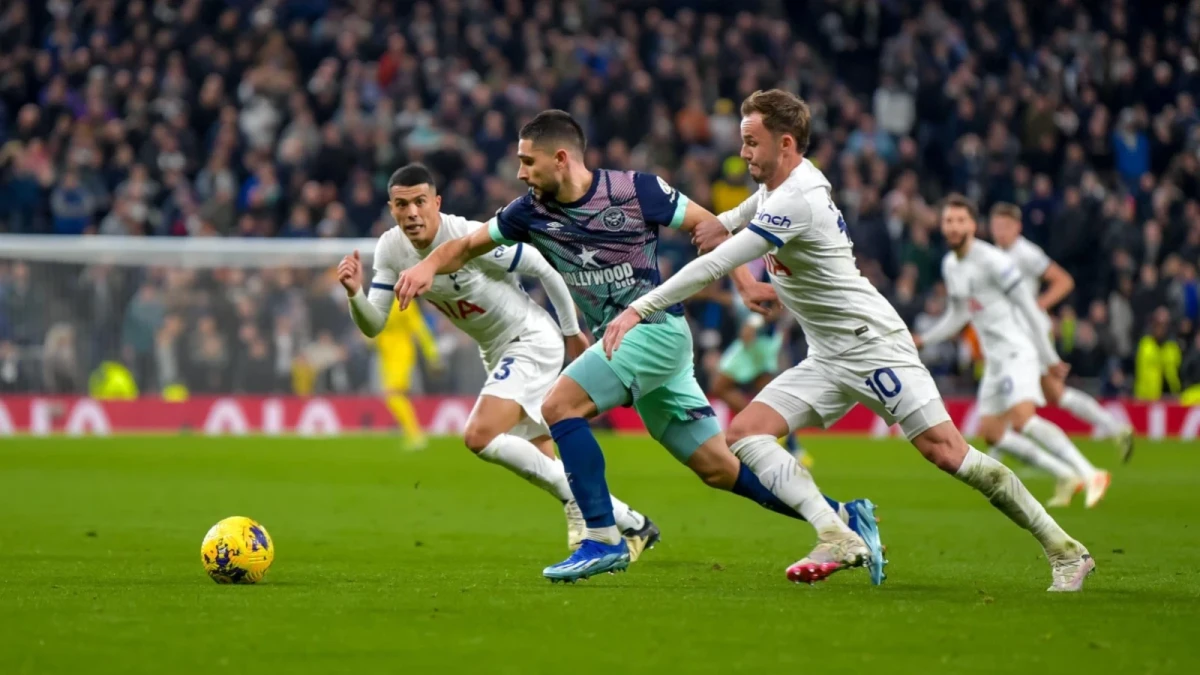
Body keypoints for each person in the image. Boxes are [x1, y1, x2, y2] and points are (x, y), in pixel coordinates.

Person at [603, 90, 1093, 591]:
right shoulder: (781, 184)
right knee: (746, 432)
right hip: (828, 354)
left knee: (949, 453)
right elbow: (735, 219)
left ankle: (1065, 549)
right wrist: (716, 222)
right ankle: (836, 533)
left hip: (872, 344)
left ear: (786, 143)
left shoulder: (799, 198)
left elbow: (718, 262)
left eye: (752, 143)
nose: (744, 153)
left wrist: (641, 307)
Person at [395, 111, 882, 585]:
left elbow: (708, 227)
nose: (521, 172)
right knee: (718, 468)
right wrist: (424, 268)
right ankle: (841, 516)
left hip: (654, 330)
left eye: (528, 161)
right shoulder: (529, 210)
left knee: (559, 406)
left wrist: (745, 285)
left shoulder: (635, 190)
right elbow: (464, 245)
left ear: (560, 158)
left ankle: (604, 537)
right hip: (628, 342)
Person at [339, 163, 659, 560]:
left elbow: (543, 265)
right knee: (545, 457)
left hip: (530, 339)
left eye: (420, 202)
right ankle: (622, 522)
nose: (412, 213)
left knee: (479, 436)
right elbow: (373, 325)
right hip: (495, 350)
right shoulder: (391, 249)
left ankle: (611, 517)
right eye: (402, 205)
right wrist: (355, 294)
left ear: (436, 202)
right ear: (392, 208)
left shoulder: (468, 238)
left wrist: (569, 330)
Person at [913, 196, 1111, 509]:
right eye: (948, 221)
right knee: (992, 433)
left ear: (973, 225)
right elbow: (958, 314)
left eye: (960, 220)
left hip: (1018, 349)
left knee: (1023, 421)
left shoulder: (994, 261)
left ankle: (1090, 473)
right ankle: (1064, 474)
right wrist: (924, 339)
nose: (953, 226)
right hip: (994, 359)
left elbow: (1030, 309)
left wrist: (1049, 358)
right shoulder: (951, 265)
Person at [989, 203, 1134, 464]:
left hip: (1029, 332)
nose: (1000, 231)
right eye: (996, 226)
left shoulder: (1026, 253)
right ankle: (1116, 429)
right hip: (1012, 331)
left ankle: (997, 453)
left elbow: (1064, 280)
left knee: (1012, 387)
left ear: (1017, 227)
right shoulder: (995, 254)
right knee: (1056, 394)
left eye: (1005, 226)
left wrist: (1038, 305)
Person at [711, 308, 810, 465]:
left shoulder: (760, 310)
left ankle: (757, 427)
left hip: (757, 344)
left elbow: (749, 331)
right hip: (768, 343)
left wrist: (754, 324)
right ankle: (794, 449)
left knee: (719, 386)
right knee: (768, 399)